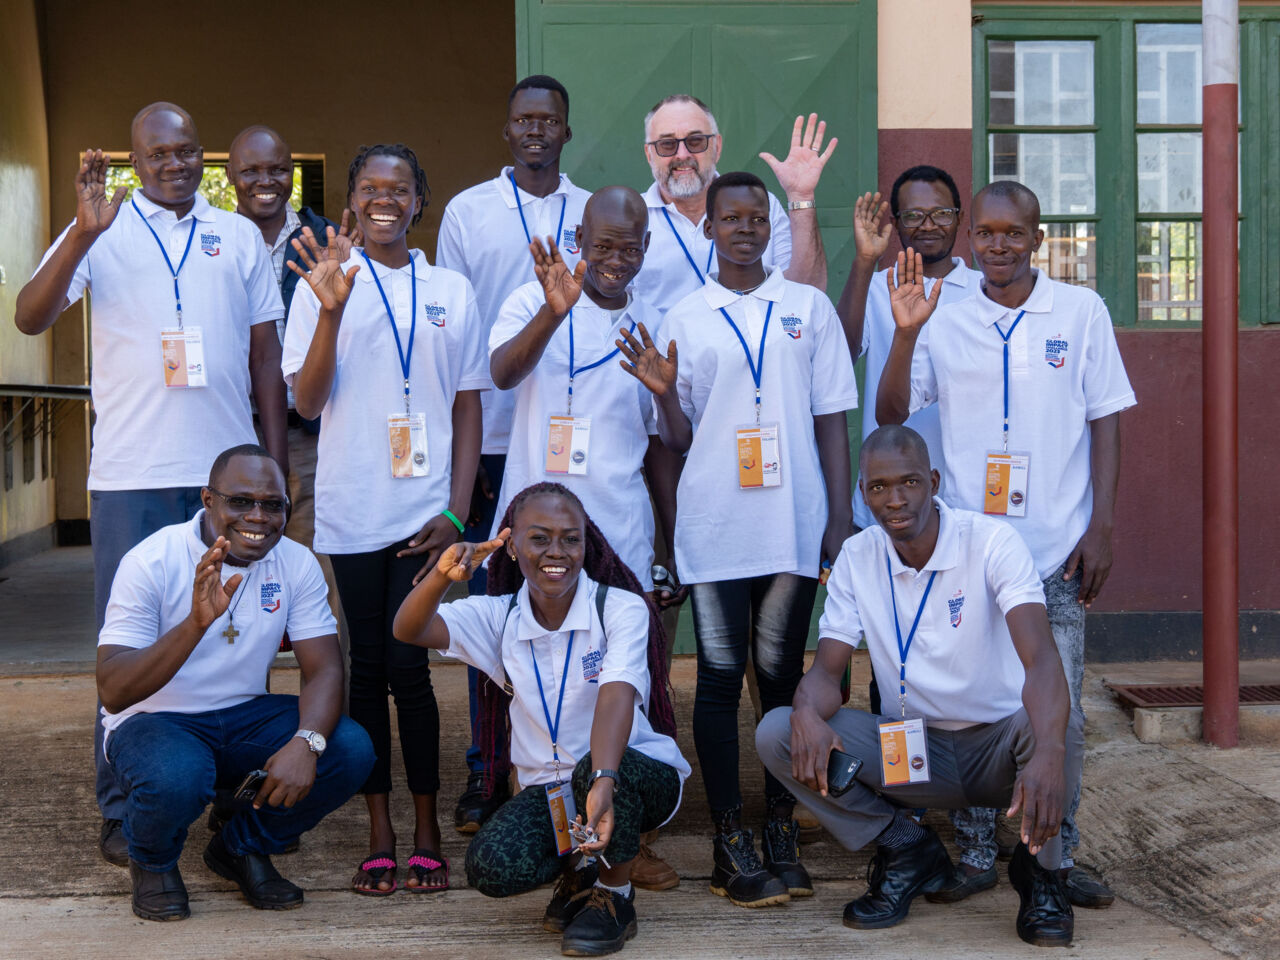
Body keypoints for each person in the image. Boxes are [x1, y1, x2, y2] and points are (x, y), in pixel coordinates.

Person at [14, 101, 288, 868]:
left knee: (239, 635)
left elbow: (266, 356)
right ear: (135, 160)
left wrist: (274, 464)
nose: (175, 164)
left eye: (188, 153)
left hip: (229, 477)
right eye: (158, 153)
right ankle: (123, 800)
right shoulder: (98, 230)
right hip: (131, 474)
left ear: (203, 159)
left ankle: (237, 795)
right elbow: (30, 317)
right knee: (127, 644)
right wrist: (82, 234)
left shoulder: (237, 235)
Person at [876, 182, 1138, 908]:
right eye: (985, 234)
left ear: (1037, 239)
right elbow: (890, 412)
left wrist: (1103, 525)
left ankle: (1053, 856)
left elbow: (1106, 419)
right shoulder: (946, 320)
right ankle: (977, 852)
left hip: (1055, 548)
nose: (997, 246)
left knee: (1063, 714)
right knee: (972, 705)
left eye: (1012, 234)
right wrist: (904, 334)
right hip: (968, 549)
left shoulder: (1080, 313)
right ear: (971, 241)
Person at [617, 171, 858, 907]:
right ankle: (729, 838)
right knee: (720, 678)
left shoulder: (807, 309)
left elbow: (831, 419)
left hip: (791, 522)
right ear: (708, 229)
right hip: (716, 525)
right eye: (732, 217)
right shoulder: (685, 317)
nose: (746, 228)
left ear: (771, 229)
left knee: (781, 676)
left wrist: (840, 517)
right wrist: (662, 393)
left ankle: (781, 824)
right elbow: (679, 439)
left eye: (758, 217)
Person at [755, 425, 1083, 947]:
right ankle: (909, 850)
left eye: (908, 481)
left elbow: (1041, 660)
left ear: (932, 481)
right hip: (915, 750)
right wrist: (806, 715)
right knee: (778, 731)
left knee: (1061, 727)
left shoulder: (992, 542)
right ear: (864, 494)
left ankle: (1041, 875)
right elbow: (825, 673)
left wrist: (1048, 748)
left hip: (998, 747)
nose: (895, 499)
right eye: (879, 487)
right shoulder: (858, 559)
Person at [282, 143, 486, 895]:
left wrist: (456, 512)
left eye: (398, 189)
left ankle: (427, 824)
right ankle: (379, 827)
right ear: (353, 201)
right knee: (365, 668)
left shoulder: (451, 290)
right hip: (353, 509)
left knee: (411, 671)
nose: (384, 200)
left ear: (419, 200)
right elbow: (306, 401)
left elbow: (469, 406)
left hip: (425, 516)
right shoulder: (320, 284)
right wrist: (332, 309)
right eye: (370, 187)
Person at [392, 482, 689, 957]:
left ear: (586, 545)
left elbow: (616, 695)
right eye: (540, 538)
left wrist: (603, 779)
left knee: (601, 765)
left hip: (631, 776)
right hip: (553, 793)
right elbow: (408, 629)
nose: (558, 551)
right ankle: (581, 872)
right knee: (490, 866)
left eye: (571, 538)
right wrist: (442, 578)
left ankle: (615, 896)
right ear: (510, 545)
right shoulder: (499, 616)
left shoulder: (619, 607)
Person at [96, 444, 373, 922]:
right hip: (154, 721)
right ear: (208, 499)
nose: (258, 517)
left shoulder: (295, 562)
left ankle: (240, 847)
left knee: (348, 748)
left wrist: (307, 743)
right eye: (240, 501)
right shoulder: (152, 561)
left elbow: (325, 668)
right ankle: (154, 862)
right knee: (179, 776)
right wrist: (193, 626)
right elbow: (114, 689)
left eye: (272, 505)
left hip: (243, 716)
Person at [436, 75, 592, 834]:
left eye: (549, 120)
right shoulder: (468, 212)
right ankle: (486, 770)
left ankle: (575, 762)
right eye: (523, 119)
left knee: (569, 611)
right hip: (490, 441)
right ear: (507, 130)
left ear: (567, 131)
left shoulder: (591, 210)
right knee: (490, 612)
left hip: (561, 442)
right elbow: (462, 330)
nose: (536, 130)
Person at [835, 166, 982, 533]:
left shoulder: (985, 292)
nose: (928, 225)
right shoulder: (876, 288)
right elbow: (839, 357)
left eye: (941, 214)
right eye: (914, 215)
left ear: (960, 219)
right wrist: (866, 262)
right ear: (896, 223)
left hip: (968, 497)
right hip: (888, 502)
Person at [228, 124, 337, 555]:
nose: (265, 181)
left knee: (315, 563)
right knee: (239, 560)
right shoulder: (211, 244)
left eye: (277, 169)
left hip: (312, 433)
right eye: (250, 170)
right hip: (237, 426)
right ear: (230, 175)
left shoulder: (324, 240)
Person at [633, 95, 835, 314]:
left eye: (696, 141)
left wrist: (800, 195)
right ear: (649, 154)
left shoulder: (762, 208)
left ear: (717, 146)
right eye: (667, 144)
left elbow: (807, 295)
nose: (682, 155)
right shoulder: (632, 218)